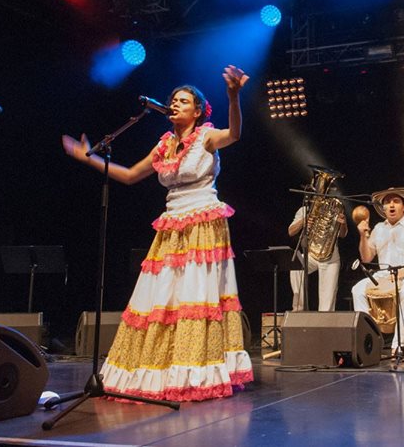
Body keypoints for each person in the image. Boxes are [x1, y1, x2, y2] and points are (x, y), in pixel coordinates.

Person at [61, 65, 253, 402]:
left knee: (196, 295)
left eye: (183, 101)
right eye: (173, 100)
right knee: (163, 297)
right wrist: (87, 158)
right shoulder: (163, 146)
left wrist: (234, 96)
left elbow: (234, 133)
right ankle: (162, 368)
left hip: (203, 221)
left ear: (198, 110)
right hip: (171, 223)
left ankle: (196, 370)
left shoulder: (207, 137)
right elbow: (131, 175)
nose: (175, 104)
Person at [351, 187, 404, 353]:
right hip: (383, 276)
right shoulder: (379, 228)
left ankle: (400, 345)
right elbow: (366, 258)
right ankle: (367, 341)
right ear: (383, 208)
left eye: (396, 201)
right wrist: (362, 236)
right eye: (387, 202)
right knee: (358, 289)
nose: (391, 205)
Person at [288, 198, 346, 311]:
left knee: (327, 300)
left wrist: (342, 224)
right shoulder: (304, 210)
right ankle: (298, 309)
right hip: (311, 254)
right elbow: (291, 231)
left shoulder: (334, 209)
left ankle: (325, 324)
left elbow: (343, 234)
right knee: (296, 264)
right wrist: (304, 221)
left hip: (330, 257)